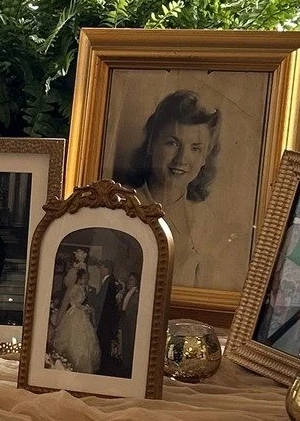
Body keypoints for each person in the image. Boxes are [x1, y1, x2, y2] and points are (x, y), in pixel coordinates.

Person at [117, 90, 223, 289]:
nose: (181, 159)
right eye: (173, 143)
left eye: (196, 148)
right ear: (151, 145)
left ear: (204, 158)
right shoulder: (120, 206)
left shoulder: (208, 223)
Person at [48, 249, 102, 374]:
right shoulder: (73, 288)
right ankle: (68, 365)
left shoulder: (82, 288)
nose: (86, 279)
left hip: (80, 315)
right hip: (73, 315)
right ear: (80, 277)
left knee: (84, 343)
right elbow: (65, 304)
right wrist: (58, 322)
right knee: (72, 340)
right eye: (84, 277)